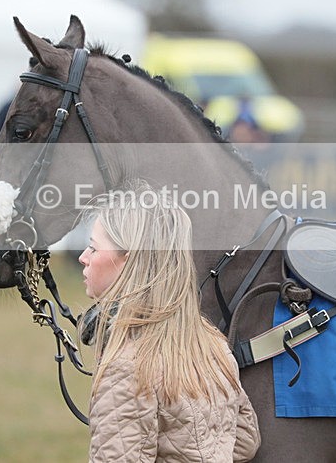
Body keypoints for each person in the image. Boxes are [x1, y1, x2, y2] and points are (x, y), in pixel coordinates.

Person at [77, 181, 261, 462]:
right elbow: (246, 442)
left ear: (130, 259)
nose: (83, 258)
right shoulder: (213, 345)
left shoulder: (128, 365)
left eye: (92, 248)